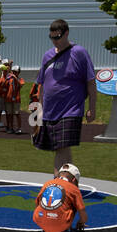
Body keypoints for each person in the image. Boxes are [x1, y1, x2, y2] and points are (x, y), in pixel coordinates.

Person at [33, 18, 96, 172]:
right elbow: (42, 85)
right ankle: (69, 184)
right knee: (61, 149)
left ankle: (58, 183)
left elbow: (90, 82)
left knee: (62, 147)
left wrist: (92, 108)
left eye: (57, 37)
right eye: (51, 37)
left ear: (66, 33)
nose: (54, 41)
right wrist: (39, 112)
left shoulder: (79, 53)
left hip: (71, 109)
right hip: (50, 111)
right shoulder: (47, 56)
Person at [33, 162, 88, 232]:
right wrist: (81, 222)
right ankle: (66, 231)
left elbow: (37, 203)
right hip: (61, 224)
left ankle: (46, 230)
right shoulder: (74, 189)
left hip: (40, 221)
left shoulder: (47, 183)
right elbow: (82, 212)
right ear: (74, 179)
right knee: (74, 204)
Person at [6, 65, 25, 134]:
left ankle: (19, 128)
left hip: (16, 99)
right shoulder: (9, 79)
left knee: (17, 114)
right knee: (9, 114)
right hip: (9, 98)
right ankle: (11, 127)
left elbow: (21, 85)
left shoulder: (20, 79)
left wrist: (15, 78)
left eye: (16, 72)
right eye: (13, 72)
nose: (14, 73)